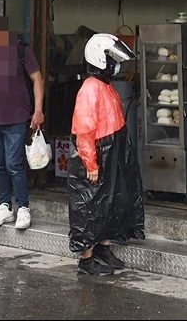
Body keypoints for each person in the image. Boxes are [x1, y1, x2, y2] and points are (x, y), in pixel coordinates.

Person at [67, 32, 145, 275]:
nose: (115, 64)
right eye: (111, 59)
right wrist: (90, 163)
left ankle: (103, 248)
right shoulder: (90, 88)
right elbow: (84, 130)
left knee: (111, 201)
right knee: (90, 206)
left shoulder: (105, 86)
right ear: (100, 60)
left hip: (114, 150)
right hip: (99, 152)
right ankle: (86, 260)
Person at [0, 13, 45, 231]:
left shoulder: (20, 50)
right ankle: (5, 206)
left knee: (14, 165)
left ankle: (23, 208)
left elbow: (37, 79)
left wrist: (38, 111)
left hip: (17, 118)